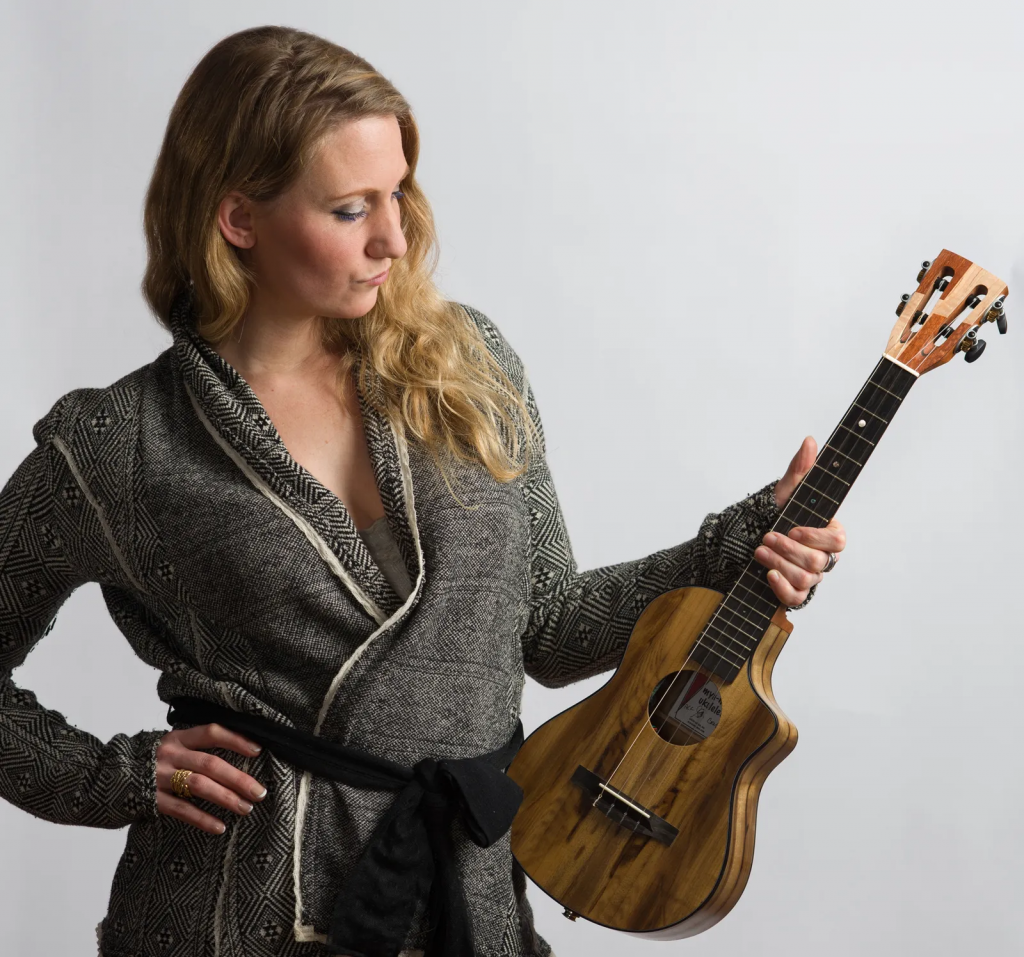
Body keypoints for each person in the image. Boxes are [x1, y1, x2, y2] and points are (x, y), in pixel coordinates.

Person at [0, 24, 846, 957]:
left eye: (397, 192)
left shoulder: (465, 366)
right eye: (350, 209)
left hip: (465, 897)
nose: (395, 238)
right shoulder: (119, 444)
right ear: (238, 218)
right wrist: (118, 777)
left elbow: (550, 628)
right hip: (236, 914)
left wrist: (733, 548)